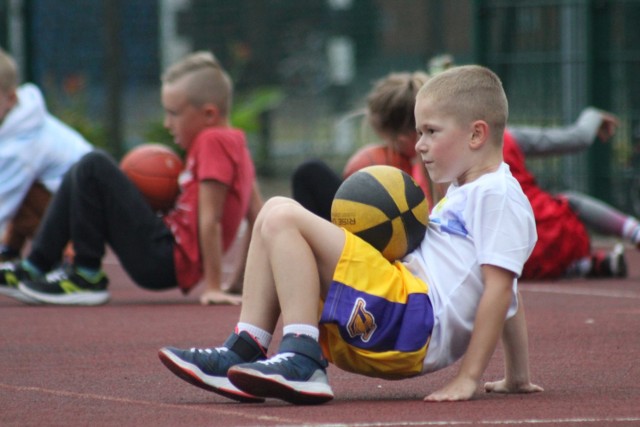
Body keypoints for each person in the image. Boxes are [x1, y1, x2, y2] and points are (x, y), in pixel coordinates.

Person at [158, 65, 543, 404]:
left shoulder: (497, 195)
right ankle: (245, 348)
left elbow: (500, 289)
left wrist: (468, 378)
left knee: (282, 215)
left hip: (414, 320)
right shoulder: (467, 191)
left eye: (431, 131)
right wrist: (518, 377)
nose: (420, 143)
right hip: (402, 309)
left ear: (477, 135)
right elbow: (510, 292)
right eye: (419, 131)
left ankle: (302, 357)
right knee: (273, 216)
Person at [0, 51, 263, 306]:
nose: (166, 123)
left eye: (173, 113)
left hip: (164, 257)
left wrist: (215, 287)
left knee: (93, 165)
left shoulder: (212, 140)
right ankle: (35, 267)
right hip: (164, 254)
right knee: (84, 169)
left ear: (208, 114)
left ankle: (84, 274)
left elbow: (211, 219)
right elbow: (258, 218)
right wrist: (240, 283)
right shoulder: (238, 147)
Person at [504, 110, 639, 279]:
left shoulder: (464, 152)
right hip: (559, 233)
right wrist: (593, 115)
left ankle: (582, 266)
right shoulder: (508, 137)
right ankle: (633, 232)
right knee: (566, 202)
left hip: (510, 255)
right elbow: (579, 137)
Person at [292, 71, 435, 220]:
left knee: (308, 173)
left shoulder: (428, 170)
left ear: (402, 141)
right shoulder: (449, 159)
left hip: (399, 235)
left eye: (389, 143)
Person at [0, 47, 93, 262]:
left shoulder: (20, 147)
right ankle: (11, 251)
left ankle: (68, 256)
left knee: (17, 189)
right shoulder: (20, 121)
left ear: (11, 98)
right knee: (19, 185)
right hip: (75, 206)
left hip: (83, 217)